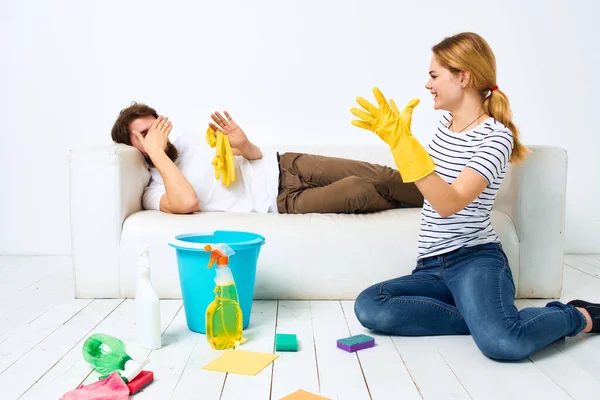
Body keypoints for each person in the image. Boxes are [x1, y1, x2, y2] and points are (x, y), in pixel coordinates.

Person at [351, 31, 599, 361]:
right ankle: (486, 321)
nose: (428, 84)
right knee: (370, 305)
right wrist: (403, 145)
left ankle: (577, 316)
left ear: (463, 77)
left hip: (475, 261)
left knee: (504, 344)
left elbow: (449, 203)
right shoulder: (444, 127)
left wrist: (404, 146)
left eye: (434, 75)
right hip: (429, 266)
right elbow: (429, 188)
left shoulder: (497, 137)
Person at [110, 104, 424, 215]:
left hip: (286, 164)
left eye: (157, 126)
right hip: (280, 201)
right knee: (359, 190)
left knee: (381, 176)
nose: (158, 136)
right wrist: (156, 154)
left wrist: (245, 145)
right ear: (134, 145)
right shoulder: (154, 192)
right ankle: (422, 203)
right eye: (146, 134)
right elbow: (187, 202)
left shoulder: (192, 139)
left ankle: (443, 197)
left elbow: (254, 157)